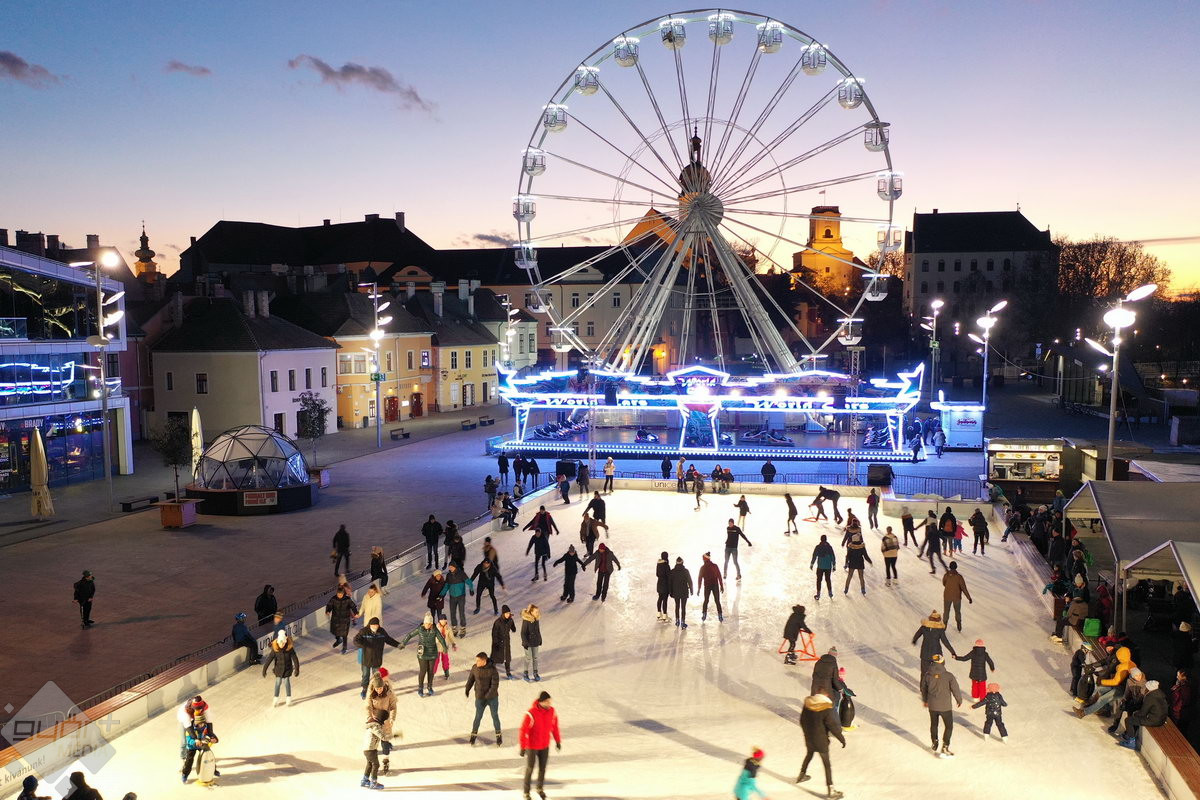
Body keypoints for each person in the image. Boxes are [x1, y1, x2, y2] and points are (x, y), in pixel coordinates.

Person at [796, 695, 846, 798]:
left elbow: (802, 721)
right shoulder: (825, 711)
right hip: (821, 741)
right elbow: (832, 726)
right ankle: (831, 791)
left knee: (809, 755)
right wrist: (841, 739)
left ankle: (801, 775)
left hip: (809, 738)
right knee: (827, 765)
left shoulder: (807, 707)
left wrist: (807, 733)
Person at [519, 690, 561, 800]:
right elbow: (523, 730)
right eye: (547, 701)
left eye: (550, 701)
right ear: (541, 702)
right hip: (532, 746)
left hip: (544, 745)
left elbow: (554, 727)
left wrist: (558, 741)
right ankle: (526, 792)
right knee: (530, 768)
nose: (549, 703)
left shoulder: (552, 711)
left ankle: (539, 788)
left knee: (542, 768)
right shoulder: (531, 713)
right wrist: (523, 747)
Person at [921, 654, 963, 757]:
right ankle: (945, 747)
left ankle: (934, 742)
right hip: (945, 706)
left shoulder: (927, 675)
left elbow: (923, 688)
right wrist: (959, 700)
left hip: (932, 705)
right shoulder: (948, 676)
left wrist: (925, 700)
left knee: (934, 724)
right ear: (942, 662)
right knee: (949, 726)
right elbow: (955, 688)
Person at [398, 612, 449, 697]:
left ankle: (429, 687)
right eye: (426, 623)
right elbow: (410, 635)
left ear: (431, 624)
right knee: (423, 671)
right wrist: (403, 643)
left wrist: (445, 648)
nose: (427, 625)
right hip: (422, 653)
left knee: (431, 671)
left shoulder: (435, 630)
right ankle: (420, 688)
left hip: (432, 653)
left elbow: (441, 639)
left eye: (429, 624)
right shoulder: (420, 629)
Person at [1076, 646, 1135, 717]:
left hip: (1121, 690)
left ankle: (1083, 713)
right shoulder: (1131, 664)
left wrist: (1102, 681)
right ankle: (1105, 710)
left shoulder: (1123, 666)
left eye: (1118, 655)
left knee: (1102, 699)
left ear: (1120, 656)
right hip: (1120, 687)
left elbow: (1116, 682)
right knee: (1100, 690)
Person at [354, 615, 401, 697]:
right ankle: (365, 689)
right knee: (365, 675)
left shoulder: (381, 632)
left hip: (377, 658)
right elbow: (356, 640)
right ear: (370, 625)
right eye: (373, 625)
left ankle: (376, 689)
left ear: (378, 625)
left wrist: (398, 645)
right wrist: (363, 646)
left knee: (377, 676)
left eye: (376, 625)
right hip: (366, 658)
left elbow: (389, 639)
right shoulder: (364, 631)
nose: (375, 627)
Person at [466, 651, 503, 746]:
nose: (476, 662)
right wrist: (467, 688)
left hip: (492, 698)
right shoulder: (475, 668)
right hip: (480, 697)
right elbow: (471, 679)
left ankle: (498, 735)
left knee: (494, 715)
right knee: (478, 716)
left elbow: (495, 685)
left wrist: (488, 696)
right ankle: (473, 734)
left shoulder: (493, 670)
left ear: (484, 661)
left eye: (478, 661)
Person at [366, 669, 399, 773]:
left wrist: (392, 718)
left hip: (385, 721)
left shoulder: (389, 693)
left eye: (380, 688)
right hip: (375, 721)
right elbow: (368, 706)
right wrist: (369, 717)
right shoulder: (371, 693)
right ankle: (371, 764)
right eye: (377, 689)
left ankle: (386, 760)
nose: (378, 690)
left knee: (385, 743)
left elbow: (393, 707)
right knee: (372, 744)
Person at [1120, 679, 1169, 750]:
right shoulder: (1161, 694)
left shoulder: (1150, 697)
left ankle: (1131, 741)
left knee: (1128, 720)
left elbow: (1143, 713)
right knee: (1135, 718)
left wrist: (1135, 713)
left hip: (1153, 720)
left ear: (1149, 688)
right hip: (1162, 719)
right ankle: (1130, 734)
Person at [261, 629, 300, 705]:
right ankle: (275, 699)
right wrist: (264, 670)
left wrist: (297, 669)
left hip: (287, 668)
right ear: (278, 642)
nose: (282, 644)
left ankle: (288, 699)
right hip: (278, 669)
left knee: (286, 682)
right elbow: (269, 659)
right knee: (278, 682)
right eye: (280, 642)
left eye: (283, 642)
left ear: (285, 641)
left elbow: (295, 658)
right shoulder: (275, 649)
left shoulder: (289, 648)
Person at [913, 611, 957, 675]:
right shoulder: (940, 629)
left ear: (930, 618)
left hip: (925, 654)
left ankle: (924, 682)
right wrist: (953, 652)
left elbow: (917, 634)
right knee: (938, 672)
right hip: (936, 654)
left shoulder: (924, 627)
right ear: (938, 620)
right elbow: (945, 642)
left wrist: (914, 640)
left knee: (924, 673)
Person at [181, 712, 219, 784]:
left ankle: (214, 770)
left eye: (203, 723)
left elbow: (211, 734)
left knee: (209, 755)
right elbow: (188, 740)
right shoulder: (190, 729)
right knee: (189, 760)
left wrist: (214, 739)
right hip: (192, 747)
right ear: (196, 723)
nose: (201, 725)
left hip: (201, 745)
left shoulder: (205, 727)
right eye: (200, 724)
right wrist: (194, 742)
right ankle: (185, 774)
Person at [440, 562, 476, 637]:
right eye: (449, 567)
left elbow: (469, 582)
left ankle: (463, 628)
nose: (450, 568)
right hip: (452, 597)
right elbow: (446, 586)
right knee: (452, 612)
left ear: (455, 567)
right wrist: (441, 594)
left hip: (461, 597)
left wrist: (471, 589)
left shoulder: (461, 573)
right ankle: (454, 627)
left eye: (451, 567)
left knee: (461, 612)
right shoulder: (448, 575)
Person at [324, 585, 358, 654]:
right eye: (338, 594)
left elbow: (353, 606)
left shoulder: (347, 599)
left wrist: (356, 613)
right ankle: (338, 639)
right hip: (336, 619)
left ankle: (344, 648)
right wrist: (328, 611)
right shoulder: (333, 599)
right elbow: (329, 605)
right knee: (335, 631)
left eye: (341, 594)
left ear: (343, 593)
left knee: (344, 634)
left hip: (345, 620)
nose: (339, 596)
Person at [941, 562, 973, 631]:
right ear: (956, 567)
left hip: (947, 596)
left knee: (946, 611)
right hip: (957, 597)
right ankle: (959, 624)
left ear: (950, 567)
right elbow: (964, 588)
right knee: (957, 611)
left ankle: (944, 625)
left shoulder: (946, 575)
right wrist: (969, 598)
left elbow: (944, 583)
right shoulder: (959, 577)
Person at [361, 708, 388, 790]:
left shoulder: (373, 724)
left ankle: (365, 780)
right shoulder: (375, 726)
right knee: (376, 764)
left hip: (368, 749)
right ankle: (373, 783)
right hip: (370, 749)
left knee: (370, 764)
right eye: (384, 720)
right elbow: (382, 737)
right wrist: (393, 736)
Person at [697, 552, 725, 623]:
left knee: (706, 600)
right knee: (717, 601)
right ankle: (720, 615)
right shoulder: (715, 566)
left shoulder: (702, 568)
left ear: (704, 559)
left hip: (707, 586)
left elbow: (700, 579)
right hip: (715, 585)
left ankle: (704, 614)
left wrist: (699, 588)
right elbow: (719, 576)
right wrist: (721, 586)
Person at [842, 531, 872, 596]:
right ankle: (863, 589)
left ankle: (846, 589)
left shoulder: (851, 546)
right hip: (860, 563)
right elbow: (865, 556)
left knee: (849, 576)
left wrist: (846, 563)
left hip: (852, 563)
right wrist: (870, 561)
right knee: (861, 577)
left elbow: (848, 556)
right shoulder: (862, 547)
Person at [668, 556, 694, 629]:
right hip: (684, 592)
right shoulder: (686, 571)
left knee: (677, 606)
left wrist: (670, 591)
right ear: (682, 563)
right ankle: (683, 622)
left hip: (675, 592)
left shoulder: (672, 571)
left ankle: (677, 620)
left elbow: (670, 582)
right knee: (683, 607)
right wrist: (691, 590)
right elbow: (690, 581)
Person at [492, 605, 517, 679]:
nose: (508, 615)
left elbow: (513, 628)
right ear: (503, 613)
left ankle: (508, 672)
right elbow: (494, 634)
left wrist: (513, 628)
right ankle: (492, 671)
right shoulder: (498, 622)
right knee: (496, 657)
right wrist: (496, 643)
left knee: (507, 657)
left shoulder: (510, 620)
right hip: (498, 642)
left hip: (506, 641)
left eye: (509, 613)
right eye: (506, 613)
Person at [520, 604, 543, 682]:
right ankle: (525, 673)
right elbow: (523, 633)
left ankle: (535, 672)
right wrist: (525, 643)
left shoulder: (536, 620)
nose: (537, 613)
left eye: (538, 611)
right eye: (536, 612)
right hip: (528, 643)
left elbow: (538, 630)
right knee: (528, 657)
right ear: (531, 612)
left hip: (535, 641)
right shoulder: (526, 621)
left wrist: (540, 639)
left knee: (535, 657)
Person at [810, 535, 836, 601]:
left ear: (820, 539)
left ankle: (818, 594)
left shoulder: (818, 547)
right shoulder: (829, 547)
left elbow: (814, 556)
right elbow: (832, 556)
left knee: (819, 580)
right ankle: (830, 593)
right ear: (826, 539)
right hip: (828, 566)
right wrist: (834, 565)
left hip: (820, 566)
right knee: (828, 579)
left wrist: (812, 564)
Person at [1171, 671, 1194, 735]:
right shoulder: (1183, 685)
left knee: (1179, 730)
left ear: (1184, 677)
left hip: (1180, 713)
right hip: (1182, 712)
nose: (1177, 677)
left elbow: (1181, 701)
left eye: (1178, 676)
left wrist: (1175, 710)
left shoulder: (1184, 688)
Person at [656, 551, 672, 622]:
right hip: (665, 585)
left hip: (659, 584)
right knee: (665, 600)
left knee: (660, 598)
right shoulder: (666, 565)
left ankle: (659, 614)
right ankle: (665, 615)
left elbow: (657, 574)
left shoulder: (658, 565)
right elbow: (669, 576)